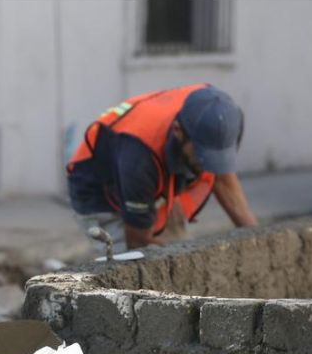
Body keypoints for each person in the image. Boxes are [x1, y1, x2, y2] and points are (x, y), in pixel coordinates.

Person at [67, 84, 258, 251]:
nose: (209, 166)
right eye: (203, 157)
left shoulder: (216, 110)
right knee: (132, 266)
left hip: (151, 169)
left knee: (180, 252)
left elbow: (223, 180)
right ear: (178, 131)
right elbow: (138, 241)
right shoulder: (139, 159)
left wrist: (257, 242)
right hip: (98, 189)